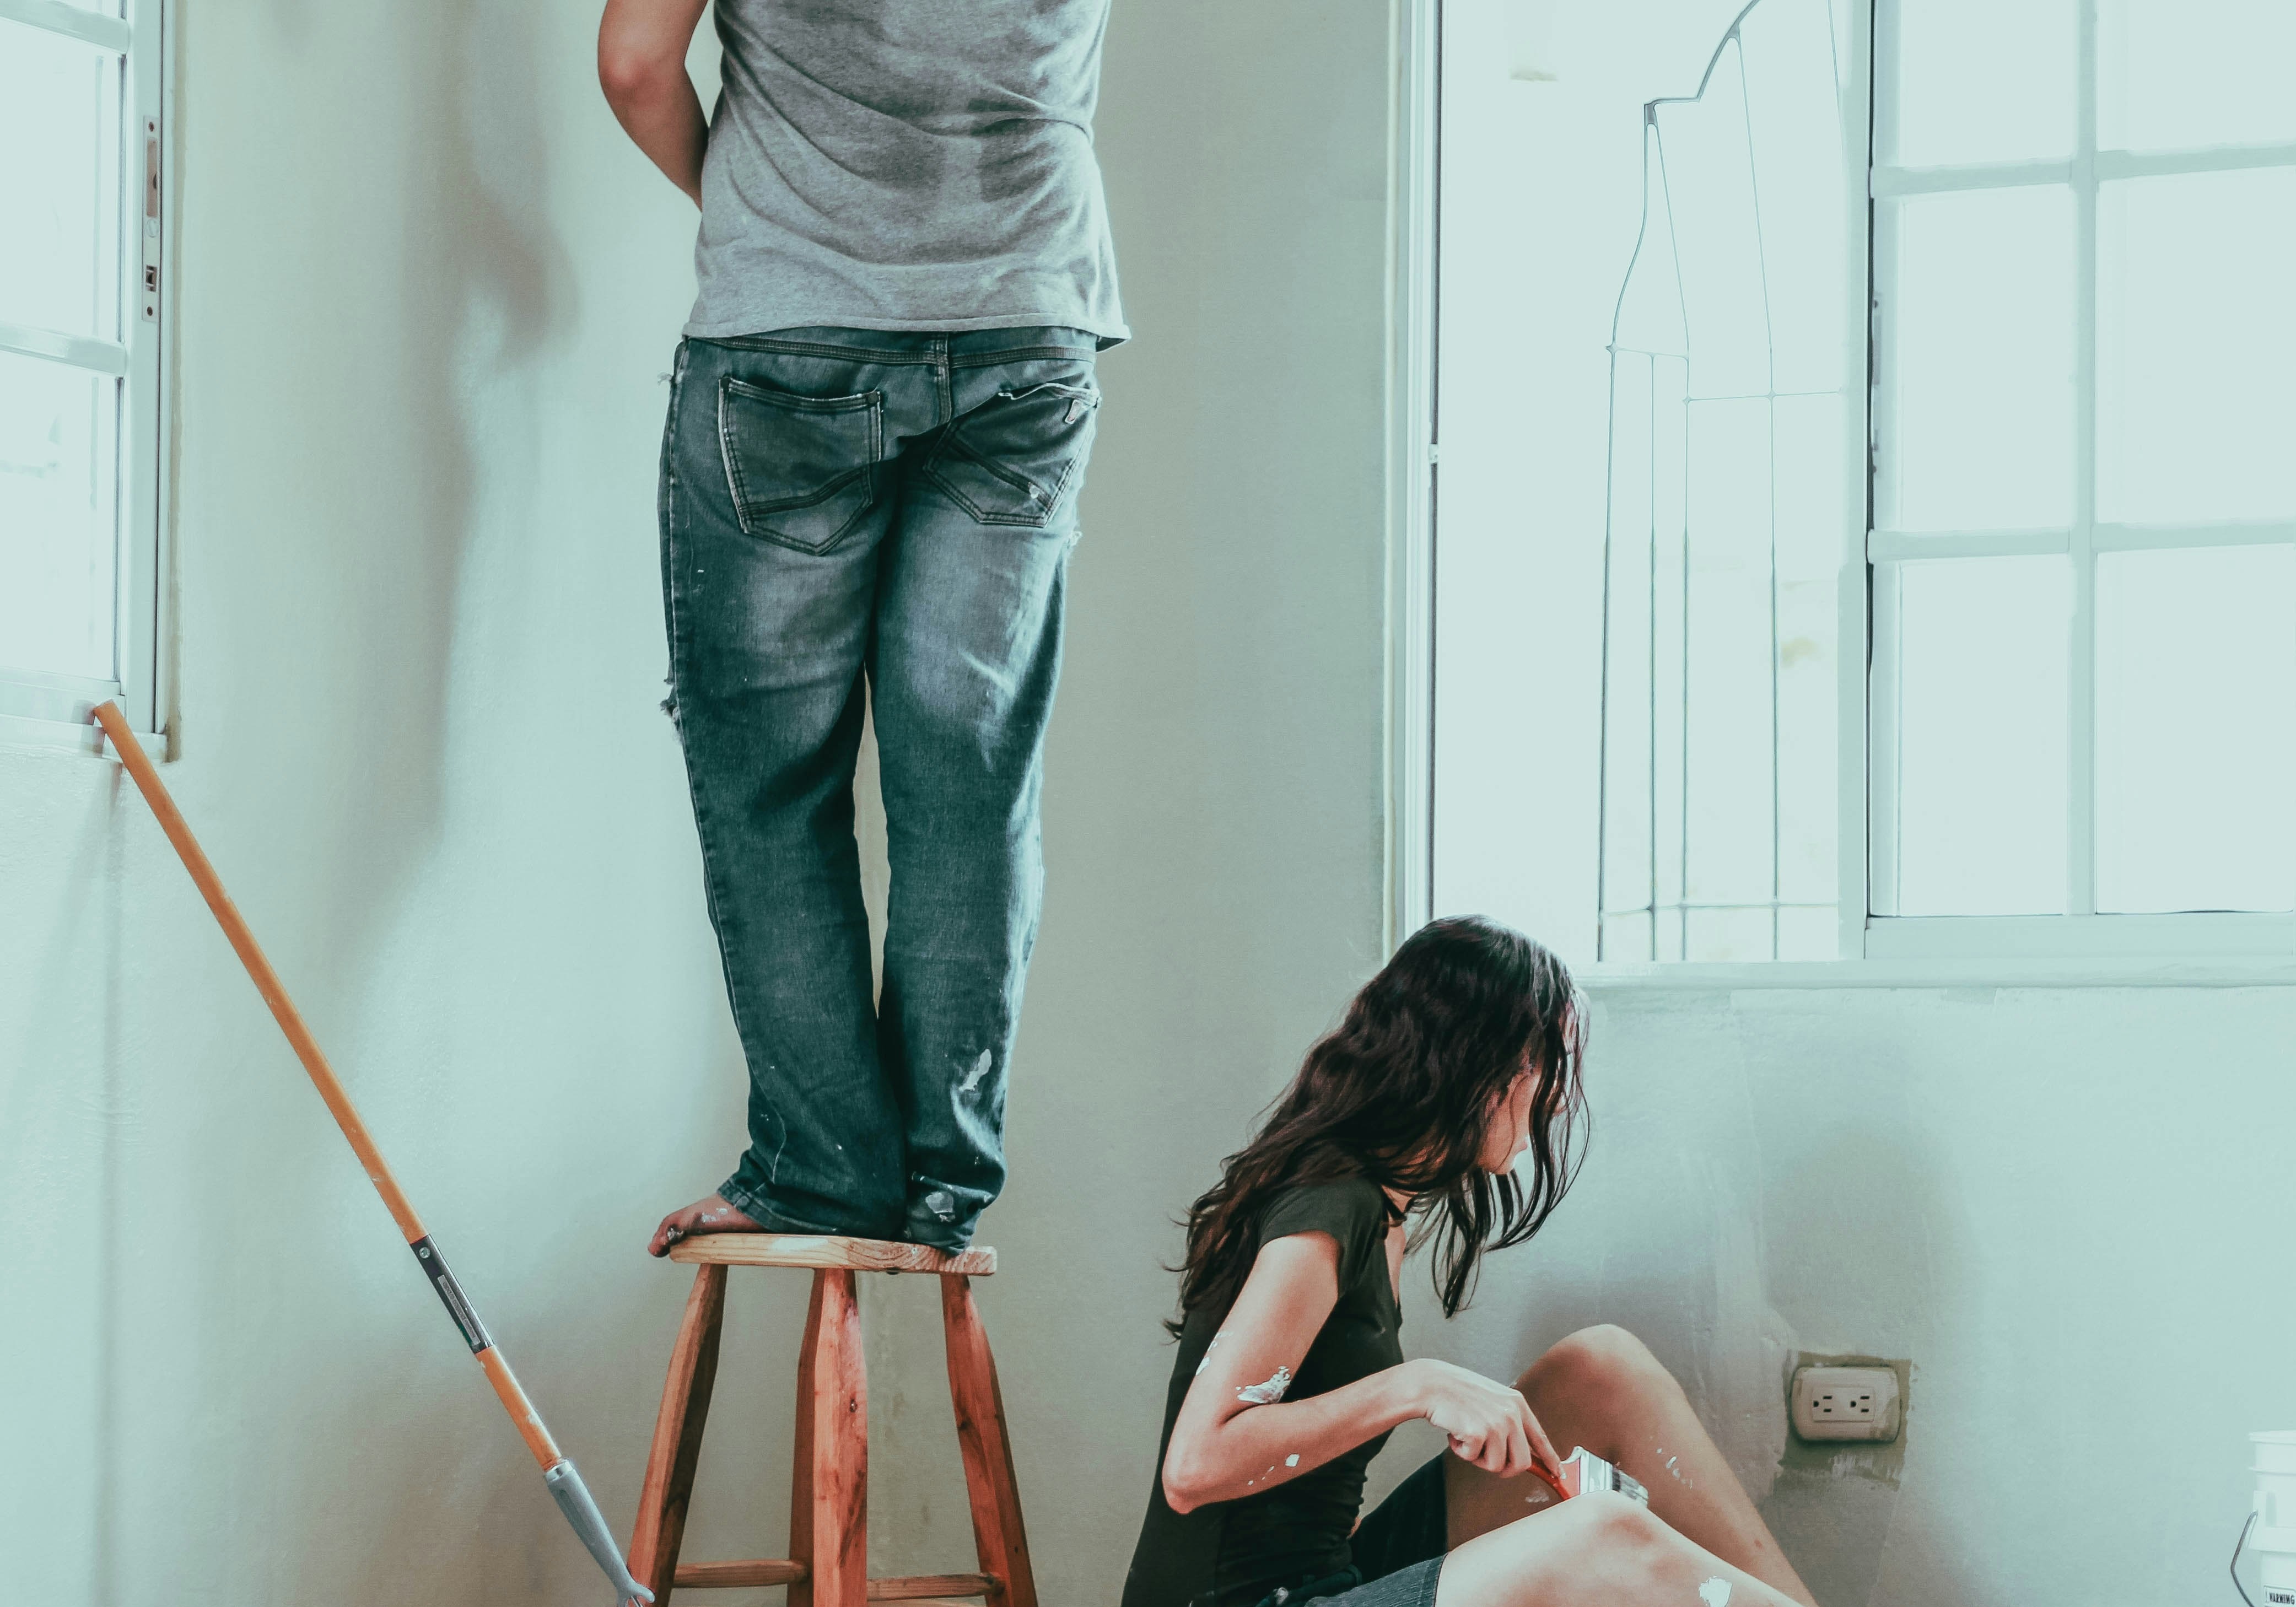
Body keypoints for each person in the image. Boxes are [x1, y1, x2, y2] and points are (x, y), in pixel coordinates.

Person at [595, 0, 1125, 1253]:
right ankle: (942, 1182)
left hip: (788, 334)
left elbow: (633, 64)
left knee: (772, 788)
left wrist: (749, 213)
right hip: (1027, 324)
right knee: (968, 783)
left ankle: (824, 1172)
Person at [1122, 917, 1822, 1607]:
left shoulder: (1376, 1206)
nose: (1549, 1100)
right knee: (1606, 1532)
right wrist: (1416, 1386)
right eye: (1542, 1069)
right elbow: (1193, 1469)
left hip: (1326, 1576)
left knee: (1600, 1369)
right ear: (1484, 1068)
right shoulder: (1329, 1212)